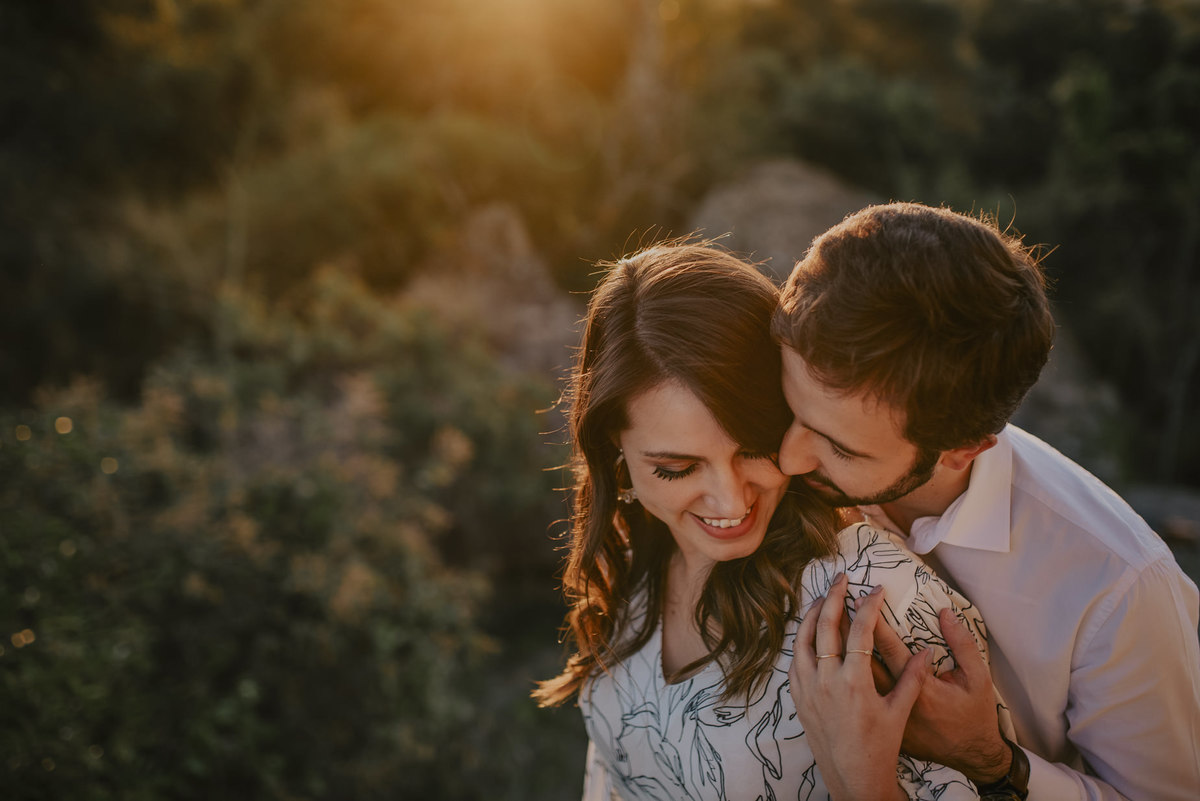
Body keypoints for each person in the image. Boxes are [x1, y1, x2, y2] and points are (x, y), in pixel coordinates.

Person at [534, 241, 1011, 800]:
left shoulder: (870, 595)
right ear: (614, 447)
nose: (729, 499)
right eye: (677, 468)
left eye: (755, 447)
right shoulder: (637, 554)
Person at [773, 201, 1200, 800]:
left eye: (841, 449)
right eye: (792, 407)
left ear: (961, 450)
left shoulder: (1120, 587)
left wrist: (992, 759)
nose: (787, 460)